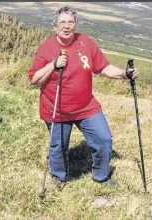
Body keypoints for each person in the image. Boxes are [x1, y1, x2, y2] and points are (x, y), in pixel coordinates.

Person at [29, 6, 140, 190]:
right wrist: (53, 65)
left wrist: (124, 74)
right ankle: (59, 176)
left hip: (86, 106)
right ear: (55, 25)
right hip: (56, 108)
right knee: (58, 147)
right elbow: (34, 78)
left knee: (104, 139)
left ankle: (101, 177)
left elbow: (103, 67)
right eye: (62, 22)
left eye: (71, 22)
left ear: (76, 24)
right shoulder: (47, 48)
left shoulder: (85, 42)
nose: (67, 26)